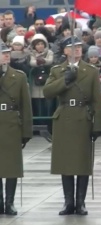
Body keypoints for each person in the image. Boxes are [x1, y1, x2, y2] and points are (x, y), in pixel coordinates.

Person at [43, 36, 101, 216]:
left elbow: (97, 100)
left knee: (82, 163)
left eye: (79, 47)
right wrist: (65, 80)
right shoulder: (57, 70)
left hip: (82, 117)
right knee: (66, 163)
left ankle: (81, 202)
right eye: (72, 47)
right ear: (65, 51)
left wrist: (98, 126)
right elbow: (48, 92)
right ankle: (68, 202)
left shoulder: (91, 71)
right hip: (64, 119)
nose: (77, 49)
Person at [0, 41, 33, 215]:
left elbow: (25, 106)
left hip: (11, 124)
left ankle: (9, 202)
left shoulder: (18, 76)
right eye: (2, 53)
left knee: (11, 166)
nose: (6, 55)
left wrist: (26, 131)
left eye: (7, 52)